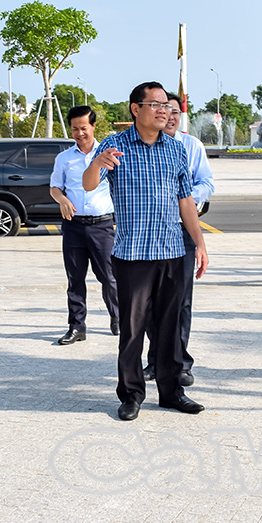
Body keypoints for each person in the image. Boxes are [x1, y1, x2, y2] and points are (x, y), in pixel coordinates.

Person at [84, 81, 209, 421]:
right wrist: (98, 163)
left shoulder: (174, 149)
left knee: (170, 328)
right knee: (133, 330)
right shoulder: (114, 146)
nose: (163, 111)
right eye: (154, 105)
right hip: (133, 255)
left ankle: (171, 393)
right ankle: (131, 395)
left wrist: (199, 243)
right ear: (136, 109)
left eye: (166, 106)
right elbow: (89, 183)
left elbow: (186, 201)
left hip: (171, 251)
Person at [143, 92, 215, 386]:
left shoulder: (191, 146)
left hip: (182, 233)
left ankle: (180, 362)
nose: (169, 116)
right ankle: (155, 361)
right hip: (149, 234)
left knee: (180, 301)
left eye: (174, 111)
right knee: (147, 303)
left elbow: (206, 183)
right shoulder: (144, 146)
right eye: (163, 109)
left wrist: (184, 198)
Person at [49, 105, 119, 345]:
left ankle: (118, 318)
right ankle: (77, 327)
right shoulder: (64, 158)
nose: (79, 133)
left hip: (102, 226)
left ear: (93, 126)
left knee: (109, 277)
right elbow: (55, 187)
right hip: (74, 226)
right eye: (75, 129)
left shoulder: (108, 154)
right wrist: (62, 199)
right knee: (75, 278)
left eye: (84, 128)